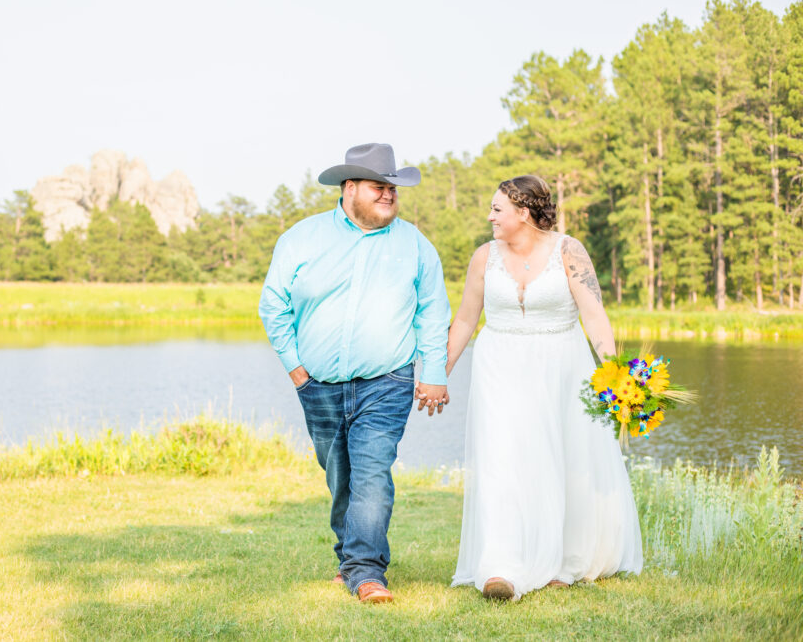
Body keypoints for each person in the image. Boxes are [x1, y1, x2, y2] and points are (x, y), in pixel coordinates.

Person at [259, 143, 451, 604]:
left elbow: (433, 312)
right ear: (349, 190)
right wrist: (297, 371)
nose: (388, 195)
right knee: (340, 476)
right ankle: (351, 561)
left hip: (388, 383)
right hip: (318, 386)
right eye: (378, 187)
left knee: (371, 474)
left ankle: (367, 573)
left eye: (392, 188)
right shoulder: (301, 238)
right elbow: (273, 306)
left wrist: (435, 372)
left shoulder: (416, 245)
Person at [446, 175, 642, 601]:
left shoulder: (568, 251)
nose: (490, 217)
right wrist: (438, 373)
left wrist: (614, 373)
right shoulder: (484, 257)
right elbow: (465, 319)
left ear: (524, 212)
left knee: (562, 459)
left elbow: (594, 314)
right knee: (501, 460)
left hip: (561, 368)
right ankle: (502, 567)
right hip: (498, 368)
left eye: (498, 210)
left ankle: (565, 561)